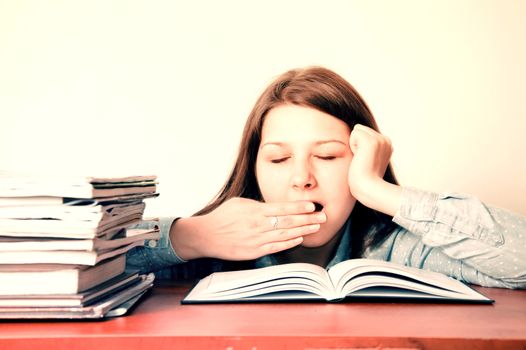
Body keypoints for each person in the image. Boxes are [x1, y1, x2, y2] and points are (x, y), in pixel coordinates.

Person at [128, 66, 526, 289]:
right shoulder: (213, 249)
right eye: (279, 158)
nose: (302, 178)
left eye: (327, 155)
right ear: (254, 168)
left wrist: (380, 193)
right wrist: (191, 236)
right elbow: (72, 272)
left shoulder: (398, 251)